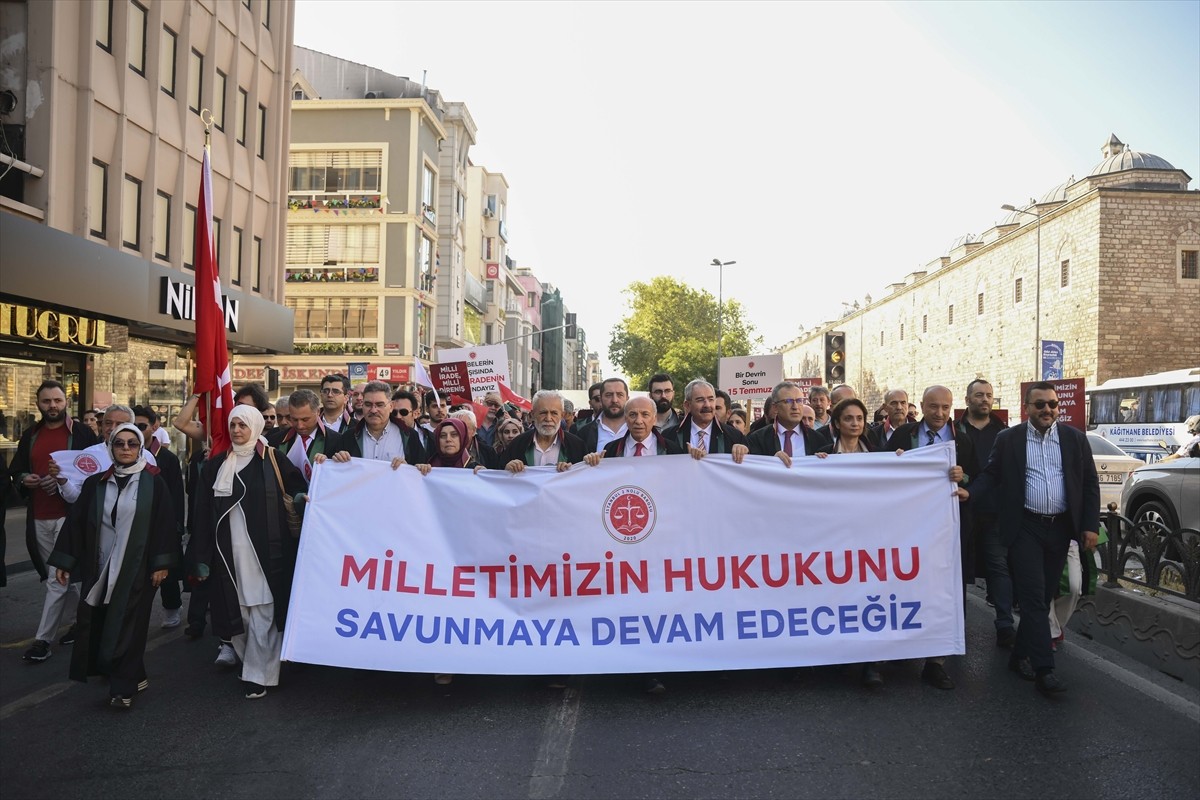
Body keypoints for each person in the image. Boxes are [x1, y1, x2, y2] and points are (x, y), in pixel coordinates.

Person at [969, 382, 1100, 696]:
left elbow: (1089, 483)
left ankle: (1018, 657)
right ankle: (1045, 669)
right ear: (1026, 407)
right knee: (1031, 596)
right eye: (1040, 405)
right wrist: (966, 495)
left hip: (1059, 529)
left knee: (1041, 599)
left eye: (1053, 405)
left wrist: (1089, 526)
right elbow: (990, 475)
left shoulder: (1074, 440)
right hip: (1024, 527)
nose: (1047, 410)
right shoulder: (1009, 439)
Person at [47, 423, 179, 708]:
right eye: (120, 444)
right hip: (101, 566)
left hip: (138, 568)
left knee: (129, 624)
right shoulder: (96, 483)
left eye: (133, 444)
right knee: (105, 619)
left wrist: (161, 564)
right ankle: (135, 674)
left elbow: (165, 526)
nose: (126, 449)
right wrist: (65, 561)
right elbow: (77, 524)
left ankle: (122, 688)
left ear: (141, 448)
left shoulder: (153, 482)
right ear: (111, 447)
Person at [192, 406, 308, 699]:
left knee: (265, 611)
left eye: (243, 425)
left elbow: (297, 489)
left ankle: (260, 675)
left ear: (255, 427)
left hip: (268, 554)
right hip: (229, 554)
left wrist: (299, 499)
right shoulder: (216, 466)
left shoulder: (272, 460)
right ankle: (255, 666)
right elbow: (202, 514)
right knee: (239, 612)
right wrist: (200, 558)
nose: (237, 430)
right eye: (233, 425)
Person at [583, 395, 684, 695]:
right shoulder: (610, 452)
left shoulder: (674, 452)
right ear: (624, 419)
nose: (638, 421)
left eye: (644, 415)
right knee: (628, 601)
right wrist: (591, 465)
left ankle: (653, 668)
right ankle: (625, 660)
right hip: (623, 542)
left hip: (662, 540)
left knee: (656, 602)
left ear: (655, 419)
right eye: (632, 415)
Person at [885, 385, 975, 690]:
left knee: (945, 589)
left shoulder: (961, 439)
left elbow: (977, 477)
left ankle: (936, 661)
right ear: (921, 405)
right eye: (933, 407)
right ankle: (902, 645)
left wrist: (965, 483)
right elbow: (879, 473)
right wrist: (895, 462)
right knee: (905, 587)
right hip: (906, 527)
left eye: (945, 408)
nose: (939, 414)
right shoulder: (902, 436)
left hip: (945, 530)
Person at [11, 380, 100, 662]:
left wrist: (62, 480)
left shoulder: (83, 433)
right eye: (47, 401)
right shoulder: (30, 435)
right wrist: (27, 479)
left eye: (57, 401)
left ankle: (43, 640)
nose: (52, 406)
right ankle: (82, 621)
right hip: (39, 516)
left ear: (66, 403)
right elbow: (18, 471)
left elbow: (95, 472)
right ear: (39, 404)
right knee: (63, 579)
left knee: (56, 578)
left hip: (69, 516)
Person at [954, 379, 1012, 647]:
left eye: (989, 395)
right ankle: (956, 625)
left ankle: (1005, 624)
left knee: (998, 567)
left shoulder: (1005, 433)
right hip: (960, 512)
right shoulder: (953, 433)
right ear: (967, 400)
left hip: (994, 512)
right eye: (979, 395)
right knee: (959, 569)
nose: (985, 400)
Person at [134, 406, 186, 629]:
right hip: (135, 524)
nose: (136, 430)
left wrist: (176, 526)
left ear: (154, 427)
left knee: (167, 570)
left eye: (142, 426)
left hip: (163, 523)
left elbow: (176, 494)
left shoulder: (167, 459)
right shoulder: (123, 452)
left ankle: (172, 608)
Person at [337, 381, 425, 466]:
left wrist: (407, 468)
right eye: (368, 404)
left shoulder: (409, 435)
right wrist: (337, 459)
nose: (373, 410)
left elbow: (421, 472)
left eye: (379, 405)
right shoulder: (348, 437)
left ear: (391, 406)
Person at [502, 391, 587, 473]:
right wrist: (507, 470)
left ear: (562, 416)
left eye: (554, 413)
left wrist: (571, 472)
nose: (548, 418)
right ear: (532, 415)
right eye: (543, 413)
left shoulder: (577, 446)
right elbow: (500, 481)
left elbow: (583, 481)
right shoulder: (517, 444)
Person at [663, 379, 749, 458]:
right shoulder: (669, 435)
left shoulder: (734, 437)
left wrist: (744, 451)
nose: (707, 405)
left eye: (711, 399)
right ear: (687, 405)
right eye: (700, 400)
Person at [276, 389, 346, 483]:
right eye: (294, 419)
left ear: (317, 412)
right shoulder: (275, 440)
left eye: (305, 419)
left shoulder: (337, 441)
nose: (300, 426)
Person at [747, 382, 820, 465]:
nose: (795, 407)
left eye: (799, 401)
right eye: (788, 401)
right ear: (775, 407)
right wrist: (771, 462)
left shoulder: (817, 439)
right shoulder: (758, 439)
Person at [578, 378, 630, 453]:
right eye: (609, 395)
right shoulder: (584, 433)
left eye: (620, 395)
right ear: (601, 399)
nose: (614, 400)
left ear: (627, 399)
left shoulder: (641, 429)